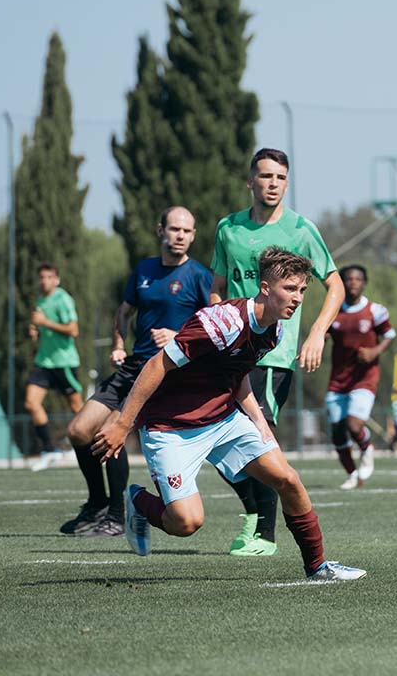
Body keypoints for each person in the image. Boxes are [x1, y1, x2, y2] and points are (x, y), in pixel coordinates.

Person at [91, 248, 364, 581]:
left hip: (223, 420)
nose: (298, 298)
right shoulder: (221, 321)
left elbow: (238, 375)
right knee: (186, 523)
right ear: (265, 287)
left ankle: (318, 567)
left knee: (289, 480)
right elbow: (157, 364)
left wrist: (260, 421)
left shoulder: (274, 330)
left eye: (302, 290)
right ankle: (138, 500)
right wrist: (122, 423)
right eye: (289, 289)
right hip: (171, 427)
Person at [210, 147, 344, 557]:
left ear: (287, 182)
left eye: (280, 177)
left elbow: (334, 284)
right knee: (213, 436)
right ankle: (254, 510)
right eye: (265, 176)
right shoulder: (227, 229)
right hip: (230, 350)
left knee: (256, 431)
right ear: (250, 181)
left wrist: (316, 333)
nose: (273, 183)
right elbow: (217, 285)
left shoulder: (301, 230)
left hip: (272, 353)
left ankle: (264, 533)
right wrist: (215, 324)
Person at [60, 207, 211, 537]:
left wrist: (178, 336)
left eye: (187, 231)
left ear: (193, 235)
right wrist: (118, 343)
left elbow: (214, 325)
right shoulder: (144, 270)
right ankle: (98, 503)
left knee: (111, 432)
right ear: (161, 231)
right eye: (174, 229)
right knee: (78, 431)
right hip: (131, 366)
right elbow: (124, 312)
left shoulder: (199, 276)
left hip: (163, 372)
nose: (180, 236)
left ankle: (117, 515)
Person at [325, 264, 396, 489]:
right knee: (337, 431)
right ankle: (352, 474)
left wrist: (375, 351)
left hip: (365, 377)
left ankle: (366, 448)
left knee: (354, 426)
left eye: (357, 279)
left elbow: (389, 334)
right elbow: (323, 332)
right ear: (342, 283)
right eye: (348, 279)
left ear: (364, 283)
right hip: (338, 379)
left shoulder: (375, 311)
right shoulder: (334, 310)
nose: (353, 283)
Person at [25, 263, 83, 471]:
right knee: (31, 403)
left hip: (64, 362)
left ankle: (90, 449)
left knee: (78, 409)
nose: (45, 281)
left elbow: (73, 330)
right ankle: (50, 450)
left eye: (49, 277)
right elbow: (41, 324)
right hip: (44, 362)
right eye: (42, 277)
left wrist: (45, 322)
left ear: (57, 279)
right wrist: (36, 329)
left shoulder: (63, 299)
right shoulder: (41, 300)